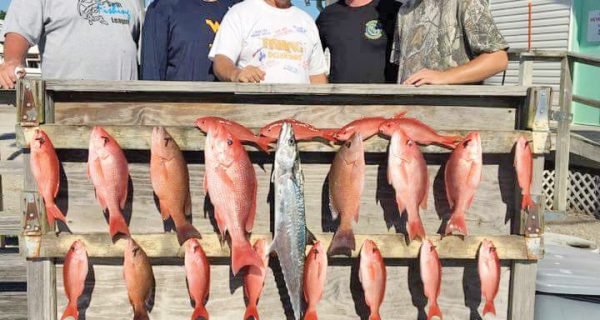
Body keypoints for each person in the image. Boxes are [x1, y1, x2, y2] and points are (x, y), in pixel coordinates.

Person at [0, 0, 142, 88]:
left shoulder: (135, 2)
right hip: (63, 106)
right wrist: (13, 61)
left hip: (125, 108)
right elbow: (19, 32)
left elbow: (146, 52)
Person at [391, 0, 509, 86]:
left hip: (452, 112)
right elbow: (399, 69)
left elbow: (498, 59)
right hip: (410, 110)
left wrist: (443, 76)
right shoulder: (404, 11)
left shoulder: (465, 2)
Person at [208, 0, 328, 84]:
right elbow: (221, 60)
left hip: (299, 112)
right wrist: (237, 74)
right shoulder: (241, 12)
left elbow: (317, 76)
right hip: (253, 112)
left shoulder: (306, 20)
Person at [141, 0, 237, 81]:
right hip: (179, 101)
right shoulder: (163, 8)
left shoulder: (239, 9)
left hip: (230, 102)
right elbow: (151, 73)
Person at [316, 0, 399, 83]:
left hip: (386, 94)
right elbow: (310, 59)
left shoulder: (396, 10)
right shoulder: (327, 15)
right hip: (340, 94)